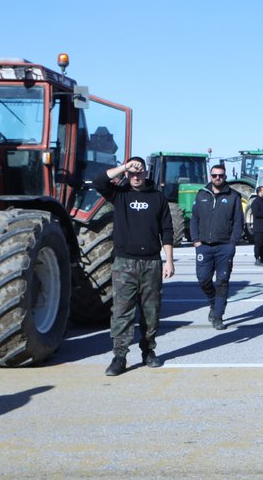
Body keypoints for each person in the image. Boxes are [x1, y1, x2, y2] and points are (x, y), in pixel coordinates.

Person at [93, 156, 175, 377]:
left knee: (151, 311)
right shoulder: (120, 194)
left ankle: (148, 351)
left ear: (146, 173)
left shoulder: (157, 197)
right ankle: (119, 356)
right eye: (132, 173)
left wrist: (169, 260)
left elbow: (167, 230)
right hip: (124, 263)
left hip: (151, 263)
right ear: (127, 174)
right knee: (122, 312)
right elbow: (99, 181)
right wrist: (124, 167)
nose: (136, 177)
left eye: (139, 172)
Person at [191, 163, 242, 331]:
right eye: (214, 175)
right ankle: (214, 303)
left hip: (224, 247)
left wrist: (232, 243)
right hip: (204, 246)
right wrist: (196, 240)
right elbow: (194, 218)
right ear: (210, 176)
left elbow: (238, 222)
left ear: (225, 177)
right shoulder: (201, 194)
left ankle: (218, 316)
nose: (217, 178)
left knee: (222, 281)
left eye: (220, 175)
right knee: (203, 279)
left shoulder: (233, 196)